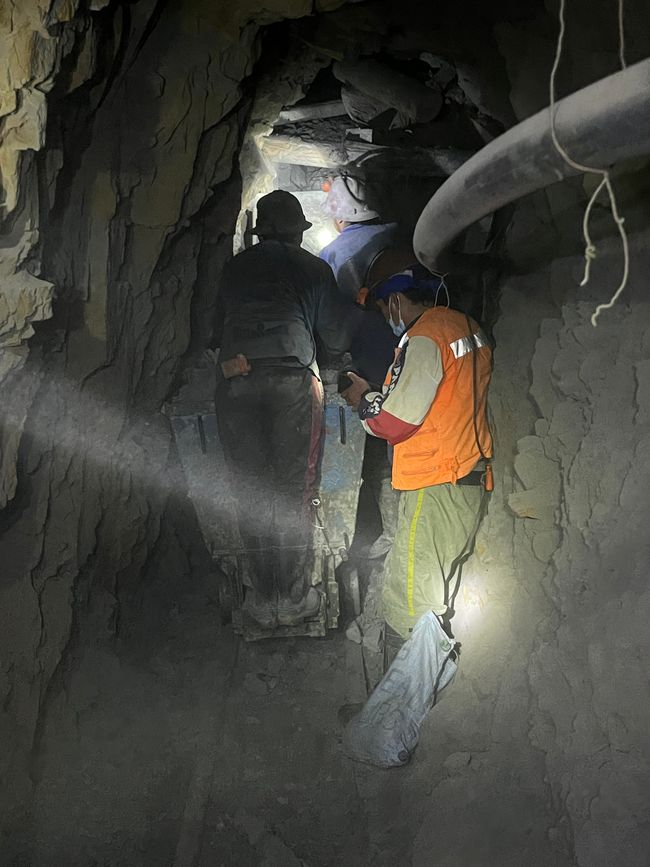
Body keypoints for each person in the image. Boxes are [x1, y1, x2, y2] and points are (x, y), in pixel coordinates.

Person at [341, 260, 493, 668]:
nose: (386, 317)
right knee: (434, 595)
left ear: (395, 301)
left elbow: (395, 421)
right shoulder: (467, 327)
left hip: (434, 487)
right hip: (467, 479)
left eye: (384, 308)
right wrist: (378, 392)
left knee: (408, 601)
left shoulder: (424, 337)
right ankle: (421, 704)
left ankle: (397, 719)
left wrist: (363, 406)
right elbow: (441, 401)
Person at [214, 190, 351, 628]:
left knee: (250, 486)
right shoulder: (313, 268)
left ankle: (261, 598)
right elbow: (336, 338)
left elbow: (211, 331)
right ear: (297, 232)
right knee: (293, 487)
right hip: (291, 381)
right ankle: (292, 597)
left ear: (259, 233)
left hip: (235, 380)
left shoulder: (233, 268)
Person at [320, 175, 400, 559]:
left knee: (378, 440)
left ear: (339, 216)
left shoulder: (335, 255)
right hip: (410, 346)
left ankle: (391, 533)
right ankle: (398, 530)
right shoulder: (399, 237)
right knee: (401, 434)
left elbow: (331, 325)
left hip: (370, 354)